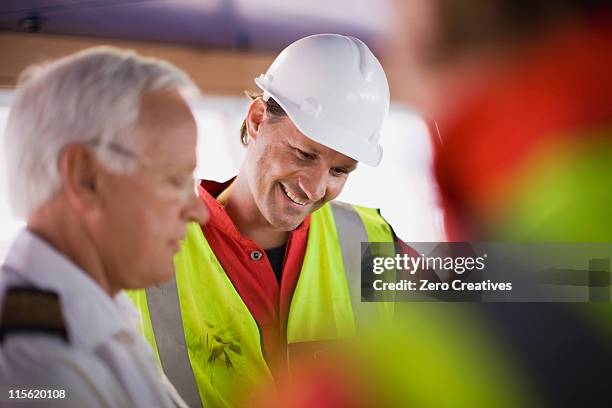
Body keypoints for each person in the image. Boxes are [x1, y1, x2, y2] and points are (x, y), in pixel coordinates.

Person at [128, 33, 398, 408]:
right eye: (304, 155)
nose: (315, 188)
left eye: (339, 170)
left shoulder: (373, 239)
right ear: (256, 120)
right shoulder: (135, 250)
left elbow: (497, 292)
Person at [0, 46, 208, 407]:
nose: (198, 212)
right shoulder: (35, 367)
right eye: (175, 180)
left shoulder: (99, 316)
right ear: (86, 178)